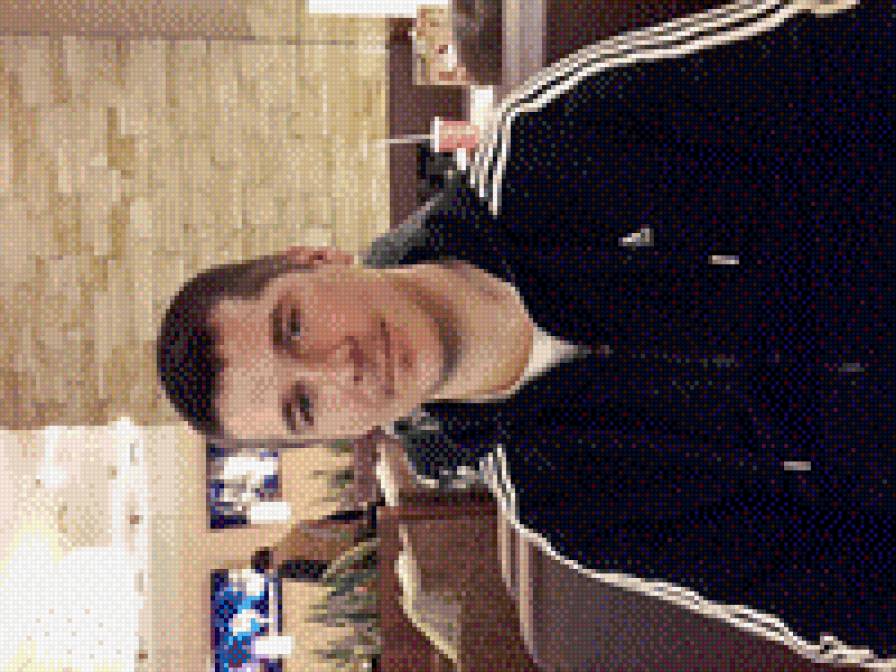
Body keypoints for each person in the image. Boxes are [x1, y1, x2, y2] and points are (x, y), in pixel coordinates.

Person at [157, 0, 894, 664]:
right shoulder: (562, 501)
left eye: (293, 327)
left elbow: (845, 56)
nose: (338, 368)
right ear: (339, 435)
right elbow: (827, 599)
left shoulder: (548, 142)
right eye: (304, 405)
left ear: (314, 259)